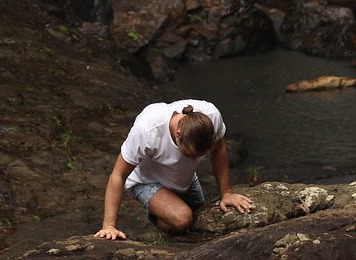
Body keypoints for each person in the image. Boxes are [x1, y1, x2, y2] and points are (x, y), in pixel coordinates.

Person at [94, 98, 254, 240]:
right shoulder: (148, 129)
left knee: (200, 219)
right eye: (189, 154)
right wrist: (109, 225)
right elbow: (118, 175)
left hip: (184, 180)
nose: (193, 159)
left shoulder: (211, 116)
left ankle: (165, 208)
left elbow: (218, 150)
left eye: (199, 156)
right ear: (178, 134)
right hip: (146, 181)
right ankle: (156, 216)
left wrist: (226, 193)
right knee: (182, 220)